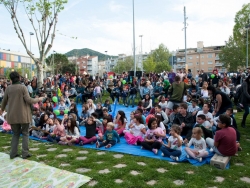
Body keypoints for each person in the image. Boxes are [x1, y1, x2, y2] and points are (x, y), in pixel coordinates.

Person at [1, 71, 44, 159]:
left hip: (12, 116)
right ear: (19, 77)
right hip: (23, 115)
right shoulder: (22, 88)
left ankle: (13, 153)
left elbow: (4, 102)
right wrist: (39, 99)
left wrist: (2, 110)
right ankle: (25, 153)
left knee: (15, 134)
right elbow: (29, 100)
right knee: (25, 133)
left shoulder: (8, 88)